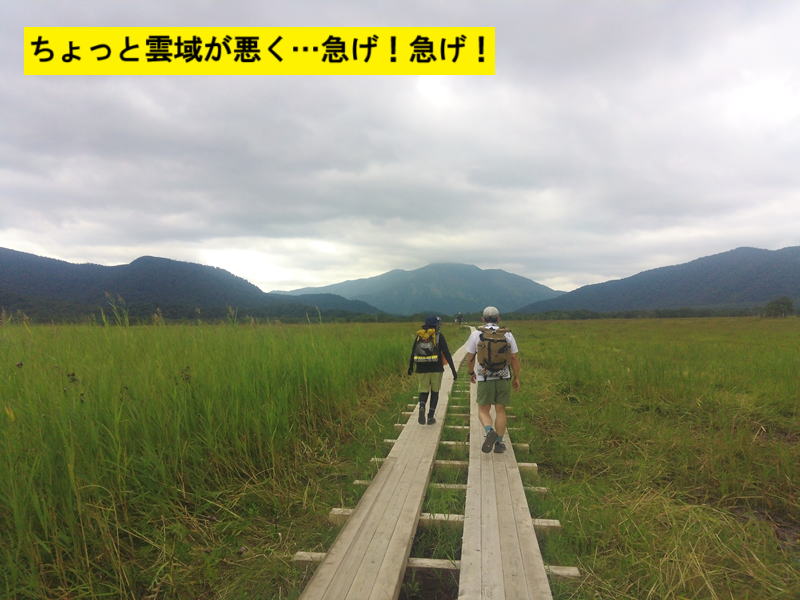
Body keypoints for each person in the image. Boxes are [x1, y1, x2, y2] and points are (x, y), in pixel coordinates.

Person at [464, 306, 521, 453]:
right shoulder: (507, 334)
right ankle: (499, 444)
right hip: (503, 377)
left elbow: (470, 357)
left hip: (484, 377)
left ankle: (489, 431)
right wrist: (516, 377)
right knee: (500, 410)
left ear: (483, 319)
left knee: (483, 410)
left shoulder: (477, 334)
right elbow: (514, 358)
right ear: (499, 319)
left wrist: (471, 372)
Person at [408, 315, 457, 425]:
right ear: (436, 325)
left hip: (421, 369)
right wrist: (453, 371)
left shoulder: (419, 336)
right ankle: (430, 417)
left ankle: (421, 406)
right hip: (436, 369)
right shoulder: (439, 336)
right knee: (435, 392)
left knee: (423, 391)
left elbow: (413, 352)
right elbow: (447, 354)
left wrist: (410, 367)